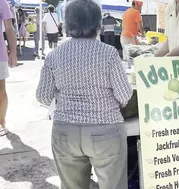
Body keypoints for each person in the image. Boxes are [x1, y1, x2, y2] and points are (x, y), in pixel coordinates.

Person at [35, 0, 133, 188]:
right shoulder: (109, 53)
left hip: (65, 132)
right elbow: (124, 95)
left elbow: (43, 96)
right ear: (98, 25)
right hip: (106, 130)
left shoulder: (55, 55)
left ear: (68, 24)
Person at [0, 0, 17, 136]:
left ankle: (1, 122)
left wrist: (13, 51)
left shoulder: (2, 3)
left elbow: (9, 28)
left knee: (0, 90)